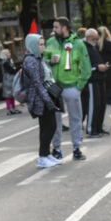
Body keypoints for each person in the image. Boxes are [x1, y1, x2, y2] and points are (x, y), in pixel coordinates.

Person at [46, 17, 88, 160]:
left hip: (71, 86)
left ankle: (76, 147)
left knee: (75, 118)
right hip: (54, 87)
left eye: (56, 27)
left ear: (64, 28)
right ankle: (56, 149)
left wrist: (79, 86)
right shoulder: (51, 42)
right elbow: (44, 59)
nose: (54, 30)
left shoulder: (78, 44)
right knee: (55, 120)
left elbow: (86, 66)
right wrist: (50, 61)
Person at [22, 33, 61, 168]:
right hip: (39, 99)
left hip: (45, 96)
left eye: (43, 44)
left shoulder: (39, 58)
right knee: (49, 126)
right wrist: (48, 100)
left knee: (48, 126)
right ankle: (42, 157)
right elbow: (37, 82)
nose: (43, 47)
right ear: (33, 45)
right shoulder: (30, 61)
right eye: (40, 44)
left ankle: (46, 154)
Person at [82, 28, 109, 138]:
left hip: (100, 79)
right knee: (93, 106)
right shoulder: (84, 48)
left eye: (97, 38)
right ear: (88, 37)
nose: (96, 40)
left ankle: (99, 127)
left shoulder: (93, 47)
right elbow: (84, 66)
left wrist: (103, 66)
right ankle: (91, 129)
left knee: (102, 105)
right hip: (92, 80)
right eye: (94, 38)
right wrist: (97, 67)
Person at [0, 48, 20, 115]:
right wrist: (17, 68)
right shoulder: (5, 63)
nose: (10, 54)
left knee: (11, 95)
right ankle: (9, 109)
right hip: (8, 81)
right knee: (8, 96)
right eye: (8, 53)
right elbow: (11, 71)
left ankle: (13, 108)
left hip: (10, 80)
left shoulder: (8, 61)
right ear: (5, 54)